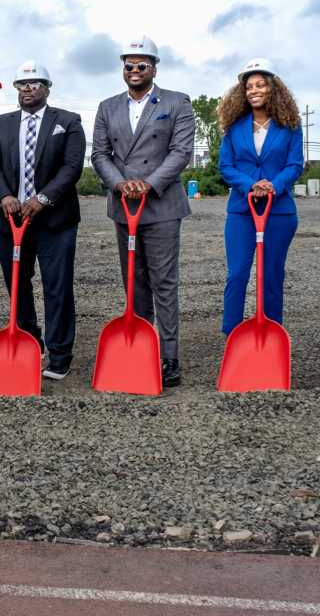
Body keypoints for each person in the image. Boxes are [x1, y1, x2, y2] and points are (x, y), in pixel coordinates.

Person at [91, 36, 195, 387]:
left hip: (161, 204)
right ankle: (139, 349)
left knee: (163, 282)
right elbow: (100, 154)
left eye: (141, 65)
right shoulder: (108, 107)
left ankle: (168, 357)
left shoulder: (177, 102)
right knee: (133, 283)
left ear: (154, 67)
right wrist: (121, 184)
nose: (134, 71)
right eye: (129, 65)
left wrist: (148, 183)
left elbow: (181, 152)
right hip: (124, 205)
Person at [0, 61, 86, 380]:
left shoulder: (67, 121)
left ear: (47, 88)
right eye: (22, 85)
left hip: (55, 220)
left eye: (35, 84)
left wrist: (42, 198)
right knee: (17, 283)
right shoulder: (0, 124)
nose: (27, 89)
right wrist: (4, 197)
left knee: (57, 286)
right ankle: (28, 337)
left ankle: (59, 353)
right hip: (11, 220)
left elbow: (71, 167)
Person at [217, 59, 304, 334]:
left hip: (278, 211)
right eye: (249, 86)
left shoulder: (290, 125)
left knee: (271, 276)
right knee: (238, 273)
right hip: (242, 210)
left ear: (272, 89)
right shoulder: (233, 127)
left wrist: (273, 186)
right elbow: (226, 167)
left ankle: (270, 332)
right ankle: (231, 333)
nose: (254, 90)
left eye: (261, 84)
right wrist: (252, 185)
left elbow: (294, 165)